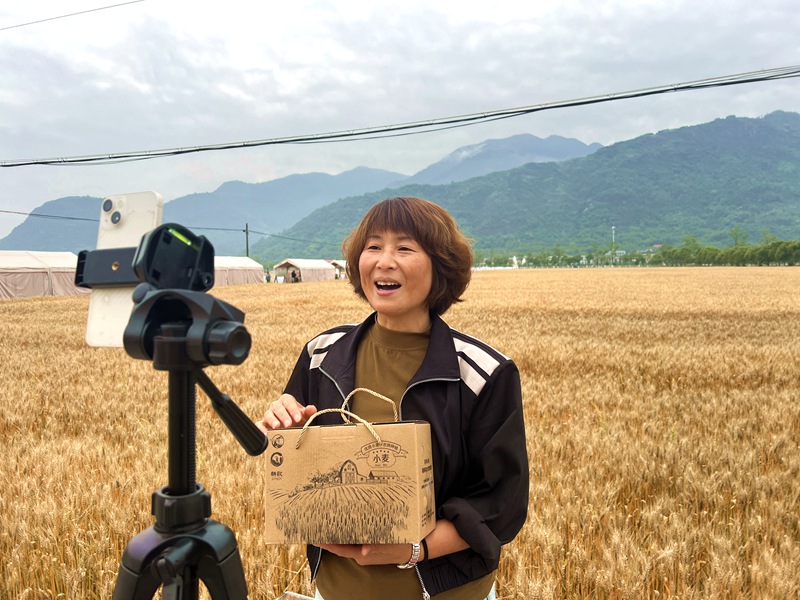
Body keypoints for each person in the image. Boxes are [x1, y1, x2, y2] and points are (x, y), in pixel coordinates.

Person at [258, 196, 529, 599]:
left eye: (404, 248)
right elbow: (293, 461)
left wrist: (414, 549)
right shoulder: (321, 354)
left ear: (440, 266)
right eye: (373, 247)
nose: (385, 261)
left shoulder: (482, 372)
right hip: (335, 591)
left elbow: (501, 503)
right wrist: (283, 424)